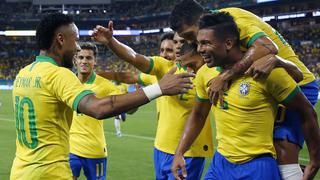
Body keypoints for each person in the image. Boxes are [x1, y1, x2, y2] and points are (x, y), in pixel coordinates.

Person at [10, 13, 194, 180]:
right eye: (75, 41)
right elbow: (98, 108)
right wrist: (159, 88)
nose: (77, 48)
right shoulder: (58, 74)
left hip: (20, 171)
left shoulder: (24, 74)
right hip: (49, 172)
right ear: (60, 39)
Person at [170, 1, 317, 178]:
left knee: (282, 150)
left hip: (298, 84)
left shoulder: (234, 20)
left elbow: (268, 47)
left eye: (189, 35)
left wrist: (224, 76)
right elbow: (199, 113)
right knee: (261, 150)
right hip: (263, 77)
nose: (191, 43)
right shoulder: (217, 34)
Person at [92, 22, 213, 179]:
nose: (177, 47)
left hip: (189, 152)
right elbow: (133, 57)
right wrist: (111, 41)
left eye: (181, 42)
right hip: (160, 147)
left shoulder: (210, 73)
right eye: (175, 42)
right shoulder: (164, 67)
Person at [69, 42, 126, 180]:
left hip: (94, 149)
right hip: (70, 149)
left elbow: (126, 105)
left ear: (95, 61)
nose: (84, 61)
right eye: (80, 57)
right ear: (75, 60)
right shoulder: (68, 81)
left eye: (88, 58)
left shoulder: (104, 85)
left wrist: (137, 100)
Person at [98, 32, 176, 121]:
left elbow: (133, 57)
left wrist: (110, 41)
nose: (164, 55)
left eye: (169, 50)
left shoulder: (189, 74)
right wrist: (100, 74)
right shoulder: (156, 74)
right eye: (162, 50)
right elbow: (128, 77)